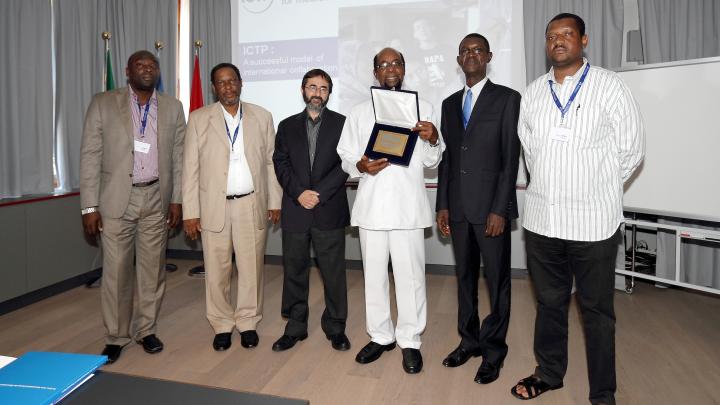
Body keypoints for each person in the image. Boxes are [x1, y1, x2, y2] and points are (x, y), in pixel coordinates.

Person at [510, 13, 644, 404]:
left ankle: (602, 394)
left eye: (567, 34)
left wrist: (594, 186)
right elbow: (530, 151)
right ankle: (549, 373)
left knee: (596, 312)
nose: (558, 41)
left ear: (583, 40)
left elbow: (631, 150)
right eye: (551, 35)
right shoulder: (534, 92)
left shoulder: (609, 86)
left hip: (593, 224)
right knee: (549, 304)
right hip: (542, 221)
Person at [336, 47, 445, 374]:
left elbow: (431, 161)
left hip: (408, 208)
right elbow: (345, 154)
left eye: (396, 62)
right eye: (383, 64)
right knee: (373, 277)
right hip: (371, 208)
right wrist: (359, 165)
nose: (390, 68)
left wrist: (434, 138)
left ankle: (410, 339)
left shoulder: (423, 108)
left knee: (411, 278)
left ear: (404, 68)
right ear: (375, 73)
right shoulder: (358, 112)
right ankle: (381, 335)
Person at [80, 50, 186, 364]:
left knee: (153, 270)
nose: (147, 69)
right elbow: (89, 156)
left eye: (152, 65)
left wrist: (177, 198)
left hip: (156, 197)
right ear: (128, 71)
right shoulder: (103, 103)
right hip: (115, 200)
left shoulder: (172, 107)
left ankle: (146, 330)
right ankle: (116, 336)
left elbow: (179, 158)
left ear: (158, 71)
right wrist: (89, 207)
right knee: (116, 272)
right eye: (140, 65)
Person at [436, 33, 520, 384]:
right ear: (458, 59)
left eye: (476, 50)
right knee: (465, 280)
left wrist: (500, 208)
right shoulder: (449, 103)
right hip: (457, 210)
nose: (470, 55)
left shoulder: (507, 99)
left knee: (497, 282)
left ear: (488, 56)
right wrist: (441, 204)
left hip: (491, 212)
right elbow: (447, 160)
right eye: (464, 51)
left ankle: (494, 351)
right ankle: (469, 342)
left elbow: (509, 158)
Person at [182, 63, 282, 352]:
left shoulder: (262, 117)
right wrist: (191, 212)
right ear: (214, 87)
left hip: (251, 203)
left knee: (251, 268)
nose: (228, 86)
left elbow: (270, 163)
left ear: (241, 83)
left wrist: (274, 200)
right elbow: (190, 169)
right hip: (214, 206)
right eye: (221, 82)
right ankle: (222, 323)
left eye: (232, 81)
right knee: (217, 270)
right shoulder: (199, 119)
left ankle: (248, 321)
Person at [271, 69, 351, 352]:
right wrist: (299, 193)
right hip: (296, 208)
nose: (317, 93)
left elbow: (346, 163)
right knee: (294, 270)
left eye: (324, 88)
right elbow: (280, 162)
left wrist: (318, 194)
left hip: (328, 207)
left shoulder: (344, 124)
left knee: (333, 272)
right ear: (302, 90)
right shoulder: (286, 125)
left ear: (329, 93)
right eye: (312, 87)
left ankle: (336, 326)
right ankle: (295, 327)